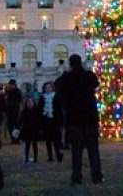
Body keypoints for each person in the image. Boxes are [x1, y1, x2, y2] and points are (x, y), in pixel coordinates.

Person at [55, 54, 104, 185]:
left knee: (76, 151)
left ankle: (77, 176)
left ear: (71, 64)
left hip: (74, 118)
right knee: (93, 150)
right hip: (90, 118)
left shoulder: (67, 77)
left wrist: (66, 73)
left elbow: (57, 86)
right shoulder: (88, 75)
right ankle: (97, 175)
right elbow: (96, 83)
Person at [38, 81, 64, 162]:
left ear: (52, 88)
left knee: (56, 140)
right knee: (48, 140)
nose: (48, 89)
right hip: (46, 121)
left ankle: (58, 155)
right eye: (46, 88)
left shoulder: (56, 97)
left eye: (49, 87)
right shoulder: (42, 98)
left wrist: (60, 123)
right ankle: (50, 156)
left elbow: (59, 110)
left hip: (55, 121)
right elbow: (40, 110)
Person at [18, 97, 41, 163]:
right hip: (26, 130)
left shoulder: (36, 111)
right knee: (27, 144)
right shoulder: (24, 111)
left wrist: (40, 128)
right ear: (26, 103)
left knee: (34, 144)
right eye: (28, 102)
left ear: (33, 103)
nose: (30, 103)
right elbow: (20, 120)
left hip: (34, 129)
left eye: (31, 102)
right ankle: (27, 157)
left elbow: (39, 121)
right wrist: (18, 127)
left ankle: (35, 158)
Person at [5, 79, 23, 145]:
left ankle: (17, 139)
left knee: (17, 127)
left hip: (16, 112)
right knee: (10, 126)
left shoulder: (18, 91)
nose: (11, 86)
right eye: (10, 85)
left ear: (15, 85)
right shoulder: (8, 91)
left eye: (12, 85)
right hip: (9, 112)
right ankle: (13, 139)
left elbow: (20, 100)